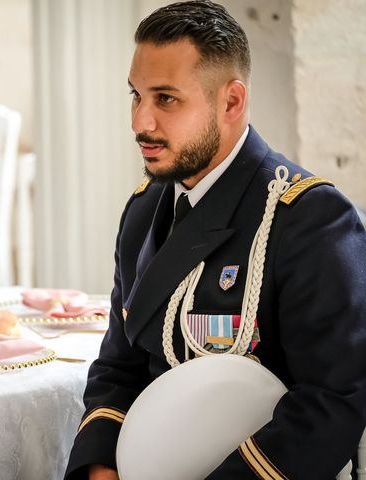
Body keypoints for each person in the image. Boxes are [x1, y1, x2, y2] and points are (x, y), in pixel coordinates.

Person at [64, 1, 366, 479]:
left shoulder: (310, 220)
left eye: (165, 99)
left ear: (231, 102)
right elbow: (119, 368)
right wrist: (101, 468)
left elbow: (332, 404)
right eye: (135, 95)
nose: (140, 121)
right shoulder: (144, 211)